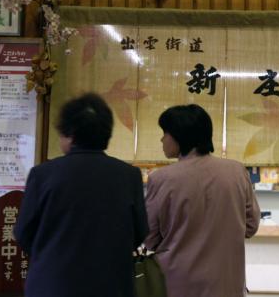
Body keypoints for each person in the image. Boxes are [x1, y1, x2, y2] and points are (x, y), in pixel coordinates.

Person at [14, 93, 149, 297]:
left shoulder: (42, 174)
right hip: (111, 284)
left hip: (52, 284)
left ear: (70, 134)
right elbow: (139, 232)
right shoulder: (128, 175)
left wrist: (51, 253)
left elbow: (24, 233)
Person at [145, 104, 260, 297]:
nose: (162, 139)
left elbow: (149, 236)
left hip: (176, 283)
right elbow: (251, 225)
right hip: (228, 283)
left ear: (179, 136)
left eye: (165, 132)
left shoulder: (161, 178)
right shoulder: (237, 171)